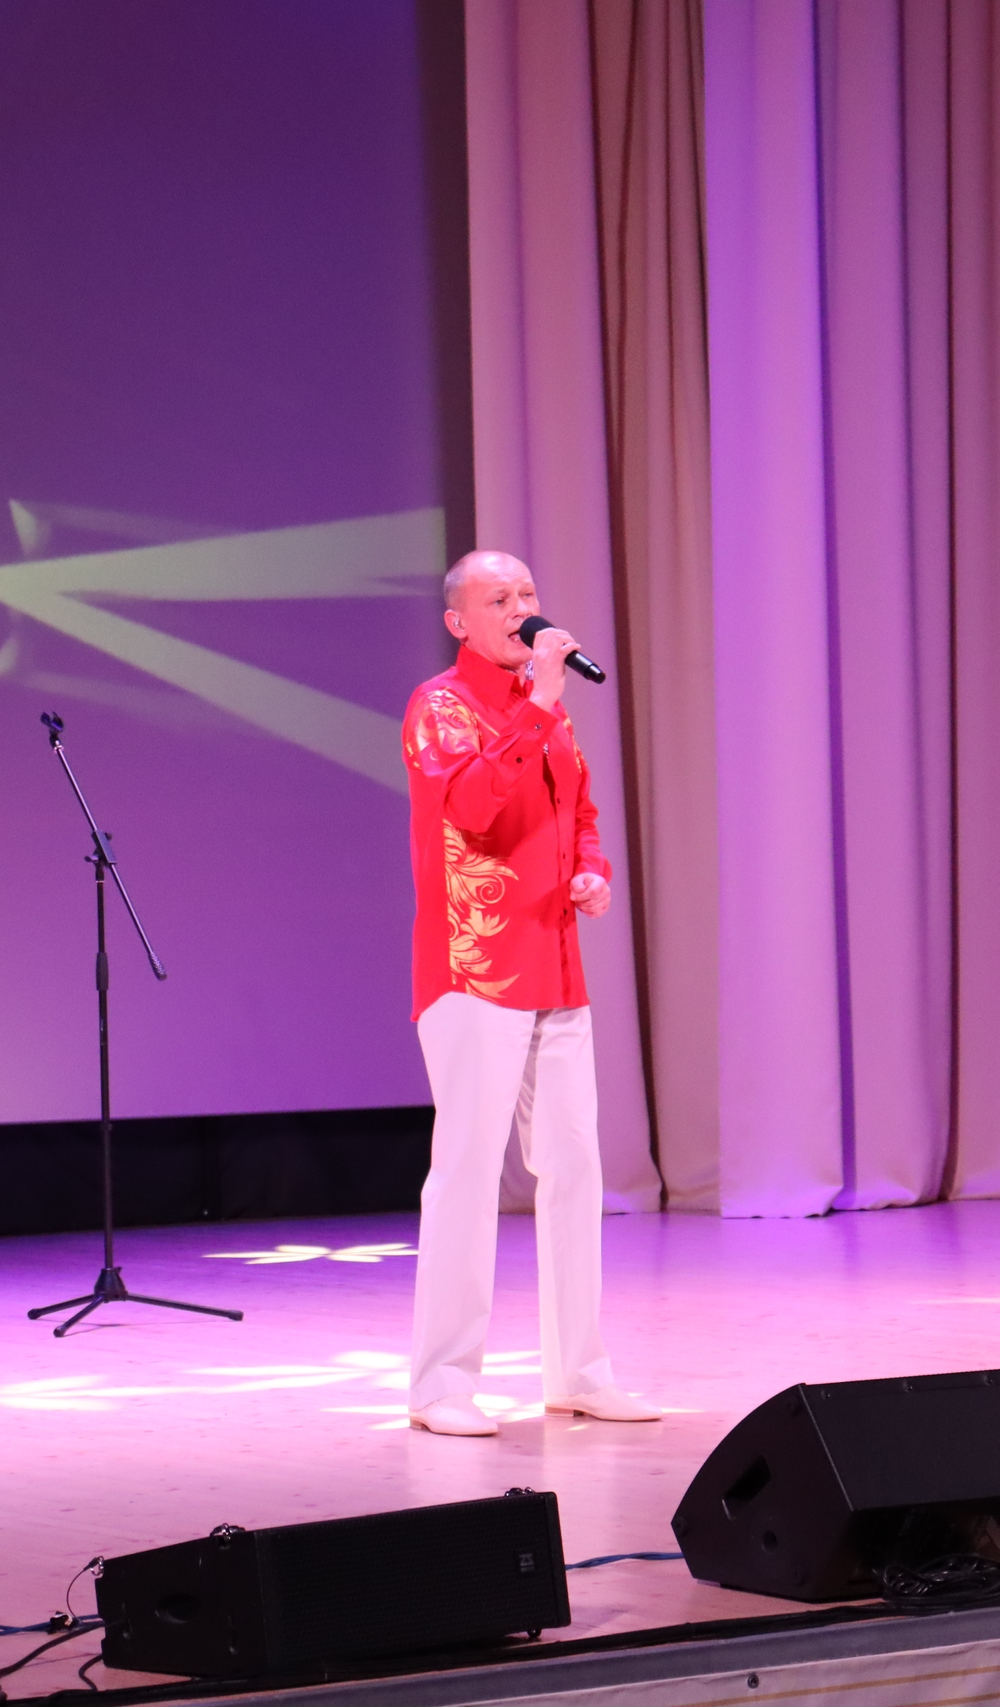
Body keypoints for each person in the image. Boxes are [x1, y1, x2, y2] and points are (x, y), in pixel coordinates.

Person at [398, 550, 658, 1438]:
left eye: (528, 595)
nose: (521, 610)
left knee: (576, 1166)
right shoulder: (440, 707)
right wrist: (539, 702)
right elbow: (472, 808)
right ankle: (440, 1384)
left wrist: (592, 870)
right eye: (499, 598)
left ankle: (580, 1371)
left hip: (555, 963)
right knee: (468, 1173)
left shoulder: (547, 708)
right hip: (474, 967)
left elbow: (578, 810)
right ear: (459, 622)